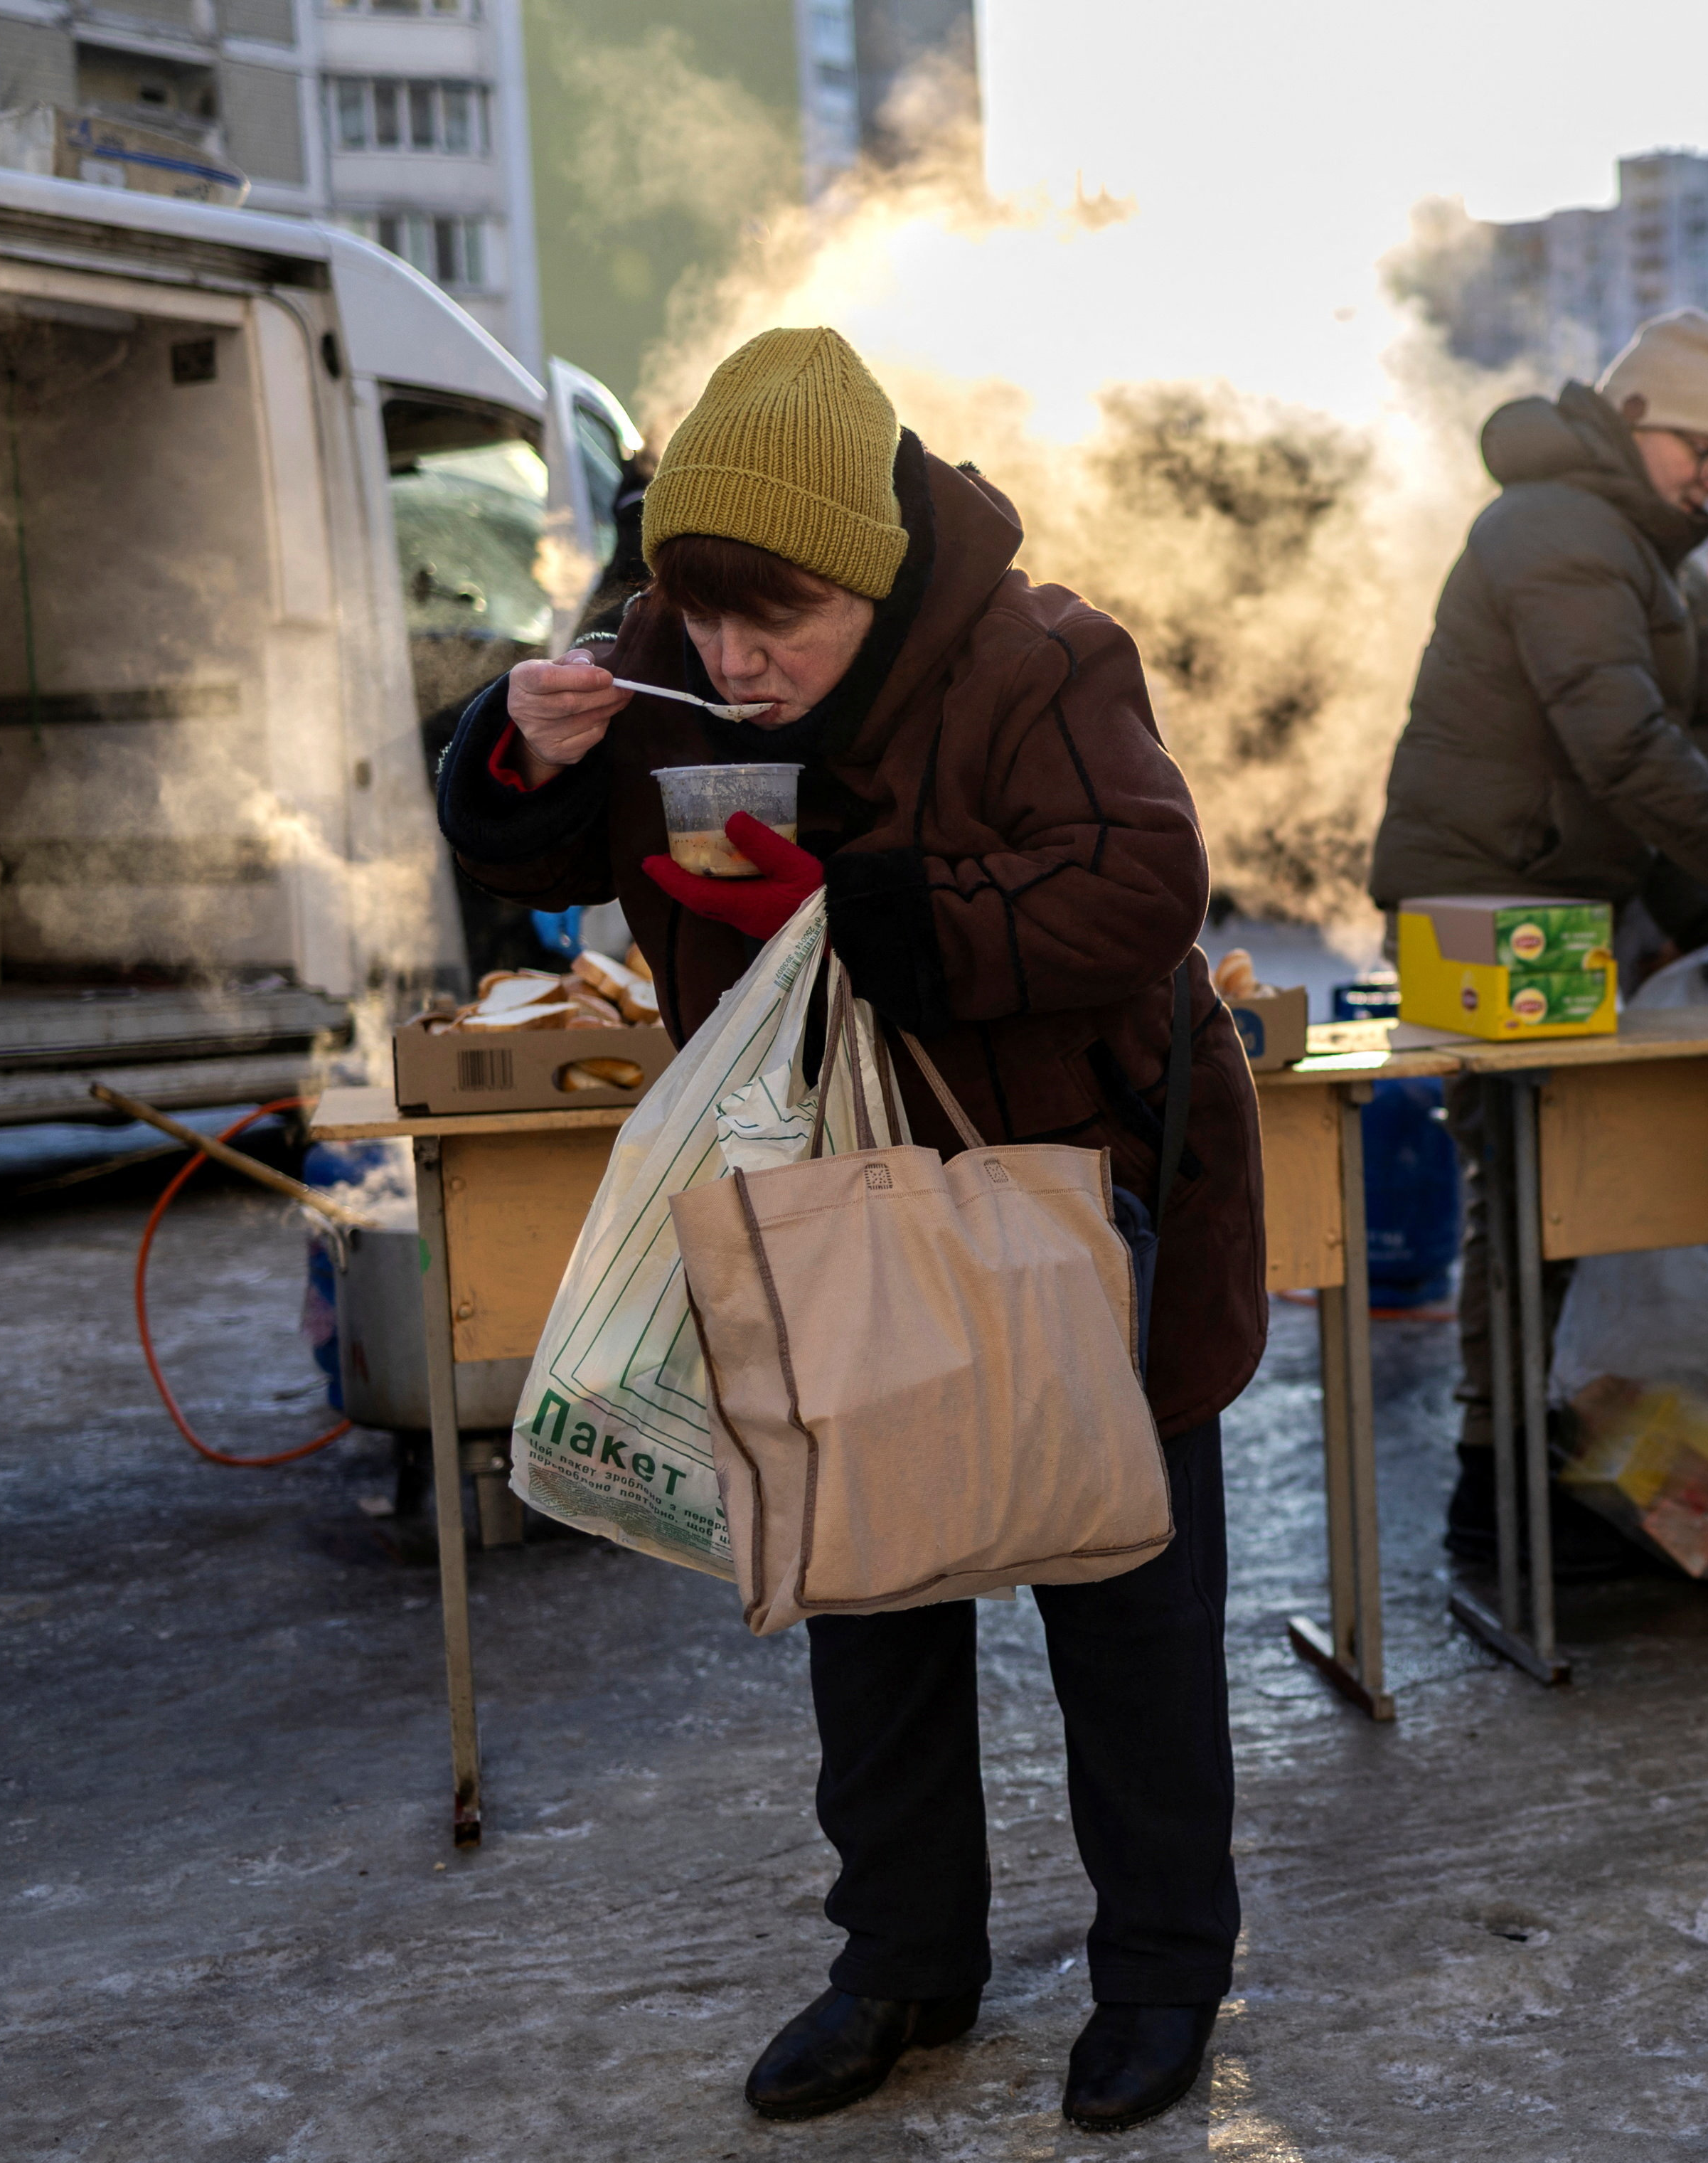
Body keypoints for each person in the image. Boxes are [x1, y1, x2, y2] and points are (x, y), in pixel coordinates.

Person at [437, 329, 1261, 2135]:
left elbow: (1145, 880)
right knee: (861, 1585)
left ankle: (1162, 1970)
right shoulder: (673, 652)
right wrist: (516, 746)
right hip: (813, 1195)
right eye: (704, 619)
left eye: (774, 622)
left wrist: (871, 909)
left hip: (1069, 1196)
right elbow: (539, 850)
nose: (734, 661)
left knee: (1120, 1594)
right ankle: (900, 1959)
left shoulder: (1039, 658)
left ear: (873, 580)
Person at [1367, 307, 1708, 1573]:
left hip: (1558, 895)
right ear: (1634, 421)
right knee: (1522, 1175)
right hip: (1478, 901)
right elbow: (1622, 753)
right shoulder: (1551, 528)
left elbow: (1678, 745)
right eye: (1702, 453)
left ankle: (1551, 1458)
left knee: (1577, 1171)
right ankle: (1495, 1492)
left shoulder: (1647, 553)